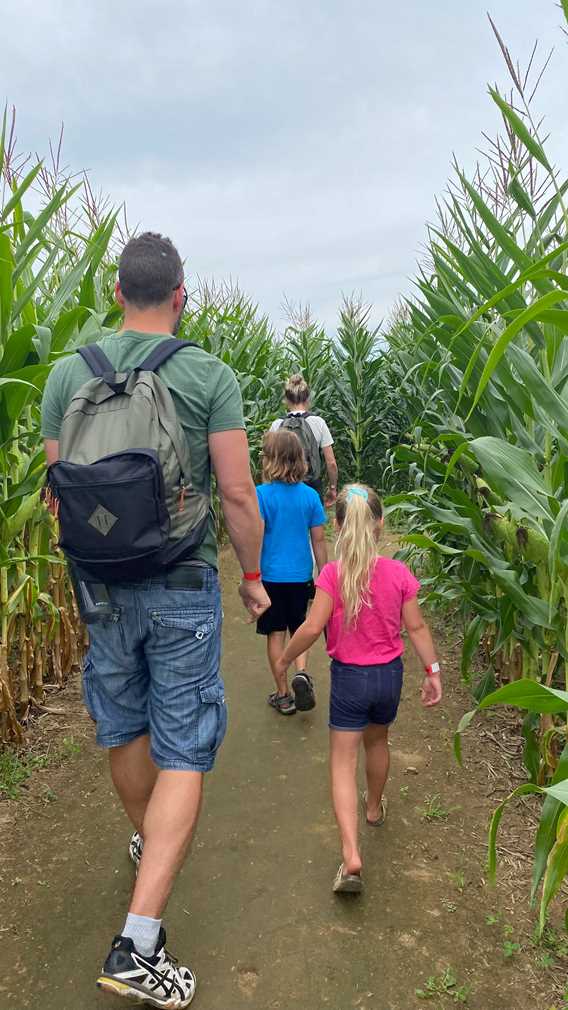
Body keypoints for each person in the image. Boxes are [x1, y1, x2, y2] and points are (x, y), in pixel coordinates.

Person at [41, 232, 270, 1007]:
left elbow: (58, 491)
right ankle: (139, 941)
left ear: (115, 290)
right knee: (184, 748)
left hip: (100, 586)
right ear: (181, 295)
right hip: (179, 577)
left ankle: (150, 846)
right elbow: (237, 495)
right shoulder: (207, 373)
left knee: (124, 727)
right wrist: (255, 582)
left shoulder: (68, 374)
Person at [275, 483, 442, 893]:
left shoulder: (333, 575)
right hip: (388, 677)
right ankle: (372, 809)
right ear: (380, 525)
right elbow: (416, 627)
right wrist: (432, 670)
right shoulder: (399, 573)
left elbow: (312, 627)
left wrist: (283, 659)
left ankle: (351, 855)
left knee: (341, 763)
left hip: (350, 679)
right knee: (379, 742)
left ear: (337, 526)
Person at [256, 429, 328, 715]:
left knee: (275, 633)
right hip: (301, 576)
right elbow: (319, 540)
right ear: (300, 459)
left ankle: (284, 694)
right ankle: (301, 673)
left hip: (271, 577)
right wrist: (324, 574)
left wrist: (250, 575)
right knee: (300, 627)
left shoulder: (261, 495)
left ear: (269, 460)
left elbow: (257, 538)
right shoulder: (310, 496)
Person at [270, 374, 338, 506]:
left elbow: (268, 460)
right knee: (314, 525)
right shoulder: (318, 423)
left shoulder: (276, 425)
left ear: (286, 400)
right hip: (312, 486)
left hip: (282, 486)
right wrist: (333, 488)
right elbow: (331, 463)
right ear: (307, 398)